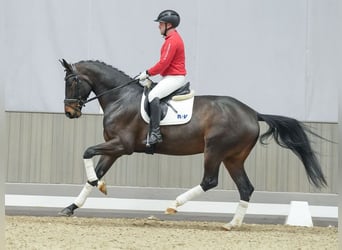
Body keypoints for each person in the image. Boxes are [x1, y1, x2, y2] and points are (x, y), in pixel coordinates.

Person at [136, 9, 187, 145]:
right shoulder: (171, 39)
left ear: (168, 25)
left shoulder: (173, 41)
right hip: (170, 77)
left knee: (153, 96)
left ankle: (155, 134)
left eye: (161, 23)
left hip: (175, 77)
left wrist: (147, 72)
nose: (159, 26)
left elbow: (163, 64)